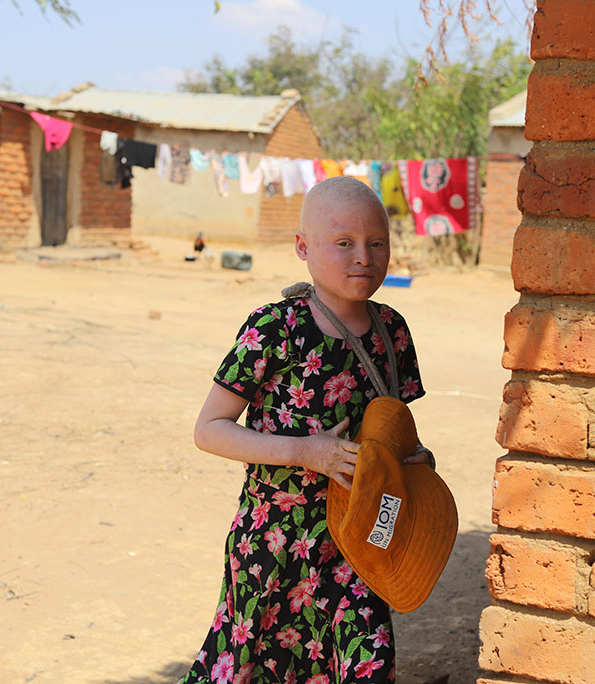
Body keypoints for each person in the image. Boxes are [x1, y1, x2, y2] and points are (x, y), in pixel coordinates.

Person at [177, 177, 431, 684]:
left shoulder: (392, 331)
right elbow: (209, 430)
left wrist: (415, 461)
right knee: (257, 667)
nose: (363, 256)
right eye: (343, 243)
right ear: (303, 248)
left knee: (368, 664)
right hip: (274, 541)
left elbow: (398, 428)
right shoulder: (275, 328)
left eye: (376, 243)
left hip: (360, 537)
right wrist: (306, 452)